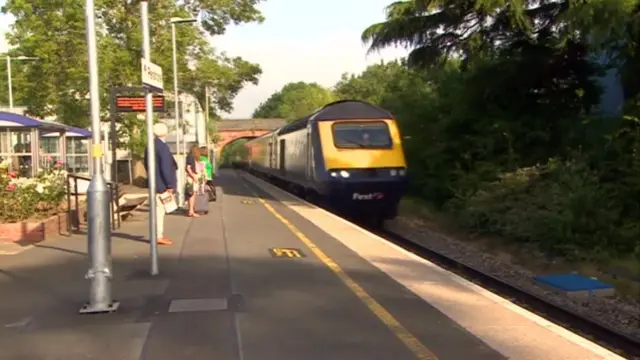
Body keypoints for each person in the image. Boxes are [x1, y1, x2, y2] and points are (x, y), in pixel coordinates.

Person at [143, 123, 176, 246]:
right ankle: (158, 236)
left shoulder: (150, 146)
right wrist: (170, 185)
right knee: (159, 211)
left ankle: (157, 235)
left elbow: (146, 164)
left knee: (157, 210)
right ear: (165, 133)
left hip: (154, 182)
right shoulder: (162, 147)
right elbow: (166, 167)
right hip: (162, 184)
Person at [185, 144, 202, 217]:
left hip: (192, 177)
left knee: (191, 194)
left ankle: (191, 210)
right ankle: (191, 211)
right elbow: (188, 167)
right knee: (192, 194)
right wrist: (193, 176)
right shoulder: (191, 157)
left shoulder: (190, 156)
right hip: (192, 177)